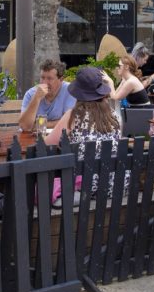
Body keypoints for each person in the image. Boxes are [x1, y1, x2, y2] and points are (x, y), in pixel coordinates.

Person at [46, 67, 123, 198]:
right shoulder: (114, 115)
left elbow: (47, 144)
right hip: (115, 186)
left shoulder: (74, 116)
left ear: (78, 93)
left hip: (86, 189)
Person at [18, 59, 76, 132]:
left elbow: (69, 122)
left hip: (60, 137)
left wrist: (39, 125)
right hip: (34, 139)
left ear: (61, 79)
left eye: (49, 78)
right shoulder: (31, 94)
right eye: (42, 77)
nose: (44, 82)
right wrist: (36, 98)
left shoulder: (69, 90)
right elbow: (25, 126)